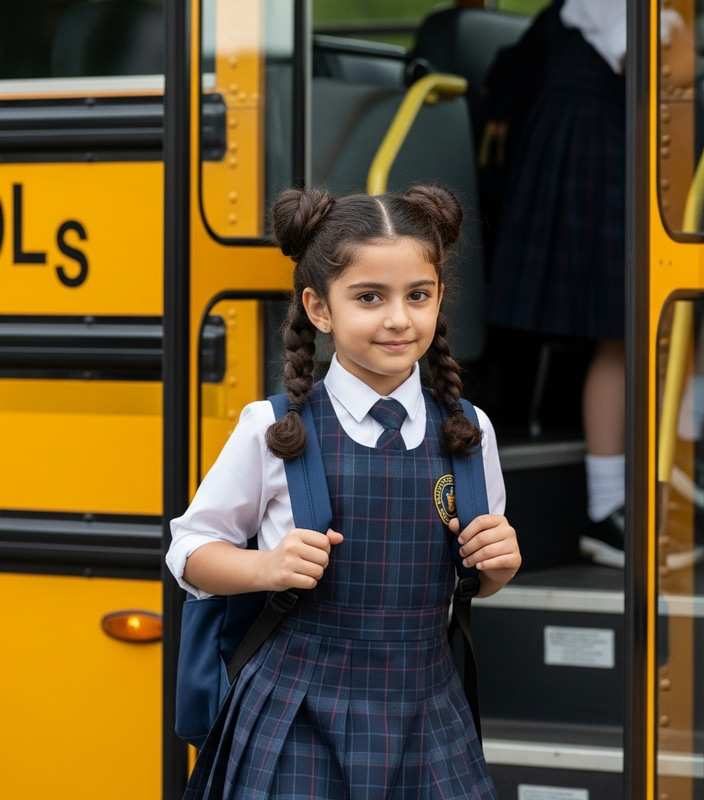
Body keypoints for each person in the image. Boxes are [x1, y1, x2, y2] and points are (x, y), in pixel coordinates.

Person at [166, 184, 521, 799]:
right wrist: (265, 566)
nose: (397, 318)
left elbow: (474, 576)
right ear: (319, 308)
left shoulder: (469, 431)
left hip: (428, 709)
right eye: (369, 297)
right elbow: (191, 551)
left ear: (439, 298)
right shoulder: (273, 429)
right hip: (297, 711)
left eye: (418, 295)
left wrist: (497, 567)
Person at [481, 0, 627, 568]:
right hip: (598, 143)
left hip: (609, 135)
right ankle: (607, 507)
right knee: (619, 327)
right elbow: (664, 66)